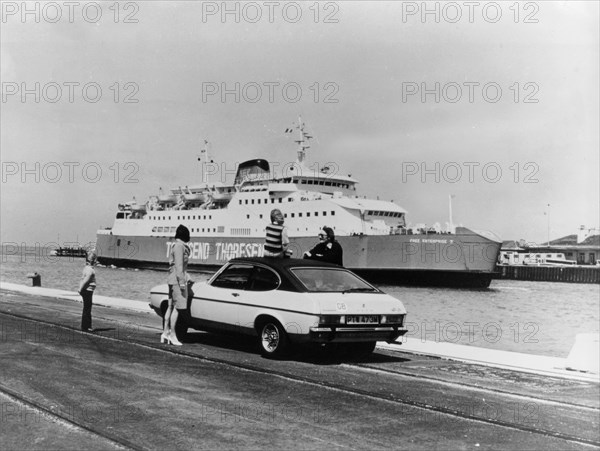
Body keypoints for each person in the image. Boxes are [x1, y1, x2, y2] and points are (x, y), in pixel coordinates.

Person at [162, 224, 191, 346]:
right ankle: (172, 335)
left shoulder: (175, 245)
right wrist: (182, 283)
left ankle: (165, 332)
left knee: (170, 307)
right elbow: (179, 267)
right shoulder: (180, 246)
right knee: (177, 309)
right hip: (177, 281)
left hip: (172, 280)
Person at [79, 249, 97, 332]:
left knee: (86, 308)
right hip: (88, 290)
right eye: (94, 260)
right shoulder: (90, 270)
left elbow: (82, 279)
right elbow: (86, 280)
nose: (95, 261)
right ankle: (87, 326)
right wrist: (80, 288)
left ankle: (84, 326)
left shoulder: (86, 268)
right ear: (91, 260)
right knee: (87, 309)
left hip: (86, 290)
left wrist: (80, 288)